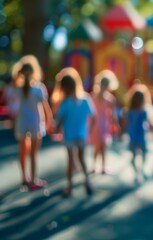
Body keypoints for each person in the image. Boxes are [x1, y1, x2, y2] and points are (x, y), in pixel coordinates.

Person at [51, 67, 95, 197]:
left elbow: (58, 122)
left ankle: (69, 187)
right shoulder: (85, 99)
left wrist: (55, 129)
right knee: (82, 159)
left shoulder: (65, 103)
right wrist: (89, 130)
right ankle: (87, 181)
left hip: (69, 136)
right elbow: (93, 116)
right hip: (82, 134)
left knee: (70, 161)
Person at [13, 55, 53, 191]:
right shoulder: (38, 88)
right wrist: (49, 121)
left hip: (22, 122)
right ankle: (33, 179)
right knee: (33, 153)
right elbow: (46, 107)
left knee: (22, 151)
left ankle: (25, 178)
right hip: (35, 122)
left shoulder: (17, 88)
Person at [122, 83, 153, 184]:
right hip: (138, 136)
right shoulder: (133, 112)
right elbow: (126, 122)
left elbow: (125, 123)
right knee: (140, 154)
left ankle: (138, 170)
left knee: (136, 155)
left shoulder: (140, 111)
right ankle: (138, 171)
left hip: (136, 136)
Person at [89, 70, 119, 175]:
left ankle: (94, 166)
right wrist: (116, 125)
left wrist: (89, 127)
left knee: (97, 147)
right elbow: (112, 115)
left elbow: (91, 114)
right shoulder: (110, 99)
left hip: (96, 125)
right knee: (103, 147)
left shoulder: (93, 96)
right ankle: (102, 167)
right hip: (104, 124)